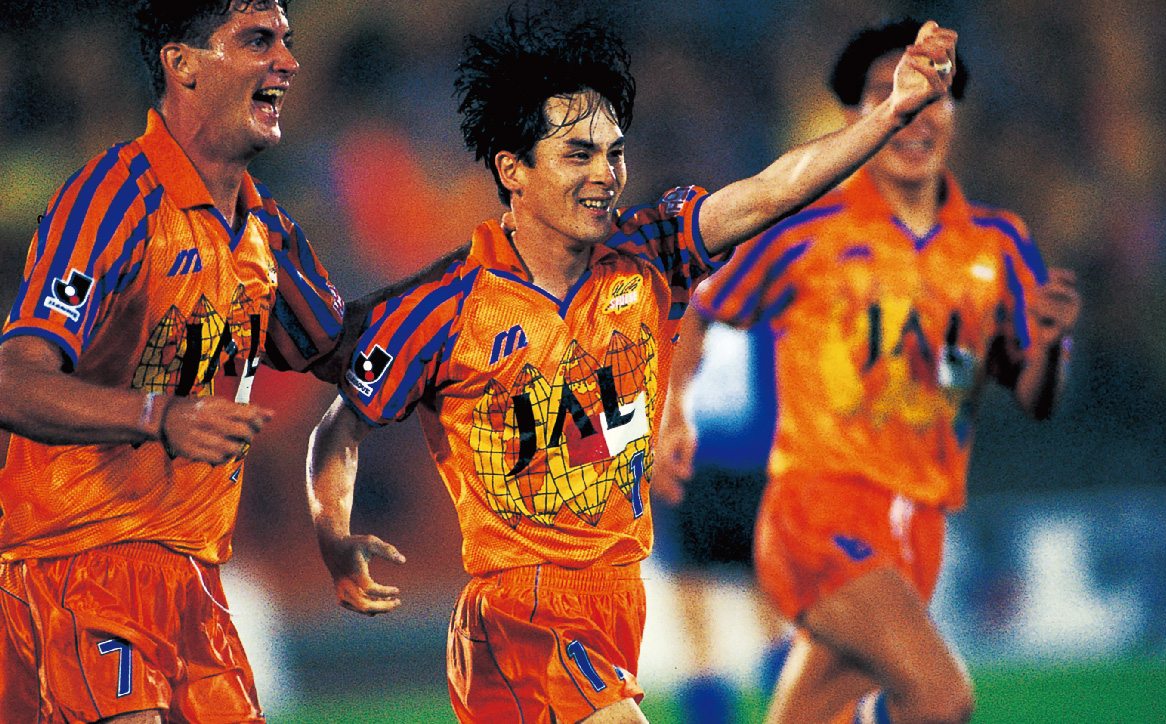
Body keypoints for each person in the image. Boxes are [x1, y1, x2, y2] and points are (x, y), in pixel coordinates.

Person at [305, 9, 956, 724]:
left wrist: (890, 114)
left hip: (616, 604)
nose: (605, 175)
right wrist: (334, 535)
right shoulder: (444, 306)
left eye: (614, 153)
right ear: (512, 169)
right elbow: (340, 427)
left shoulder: (651, 256)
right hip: (520, 618)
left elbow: (774, 190)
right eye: (577, 154)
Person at [0, 1, 461, 721]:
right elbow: (14, 381)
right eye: (256, 41)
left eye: (286, 42)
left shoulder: (262, 230)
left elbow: (348, 350)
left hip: (194, 581)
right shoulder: (113, 200)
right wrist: (157, 415)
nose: (287, 62)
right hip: (83, 561)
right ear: (182, 64)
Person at [657, 18, 1082, 724]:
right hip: (817, 514)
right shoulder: (806, 230)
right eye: (888, 94)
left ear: (954, 115)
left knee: (821, 712)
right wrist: (673, 412)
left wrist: (1045, 346)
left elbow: (1036, 396)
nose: (912, 110)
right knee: (940, 696)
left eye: (931, 95)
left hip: (919, 524)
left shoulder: (998, 243)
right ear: (859, 120)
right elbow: (699, 308)